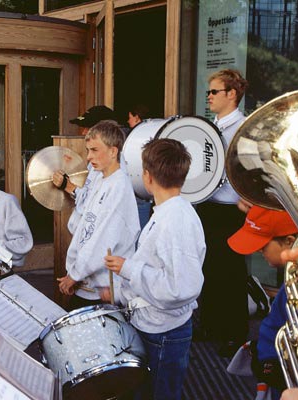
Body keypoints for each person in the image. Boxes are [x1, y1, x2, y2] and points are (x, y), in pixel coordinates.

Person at [103, 138, 205, 400]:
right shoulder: (169, 211)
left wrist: (128, 268)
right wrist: (122, 291)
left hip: (164, 331)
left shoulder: (175, 220)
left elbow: (179, 288)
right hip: (155, 325)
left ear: (147, 177)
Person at [57, 120, 140, 311]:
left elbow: (103, 239)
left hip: (104, 290)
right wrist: (75, 270)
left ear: (113, 151)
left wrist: (75, 274)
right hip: (86, 281)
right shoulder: (101, 180)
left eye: (94, 150)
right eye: (88, 150)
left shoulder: (119, 186)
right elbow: (85, 227)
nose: (89, 157)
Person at [196, 68, 250, 356]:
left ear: (231, 94)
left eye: (214, 91)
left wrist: (246, 200)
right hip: (208, 205)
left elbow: (251, 170)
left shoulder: (243, 128)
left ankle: (235, 334)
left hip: (231, 210)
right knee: (208, 267)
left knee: (231, 272)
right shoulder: (211, 127)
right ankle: (210, 324)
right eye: (208, 92)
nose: (209, 96)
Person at [227, 205, 298, 400]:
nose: (258, 251)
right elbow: (273, 326)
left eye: (263, 245)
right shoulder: (291, 285)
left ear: (289, 242)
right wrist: (268, 360)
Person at [52, 105, 117, 232]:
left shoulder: (111, 168)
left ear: (105, 132)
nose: (83, 132)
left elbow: (92, 204)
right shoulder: (97, 162)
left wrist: (68, 186)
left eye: (88, 128)